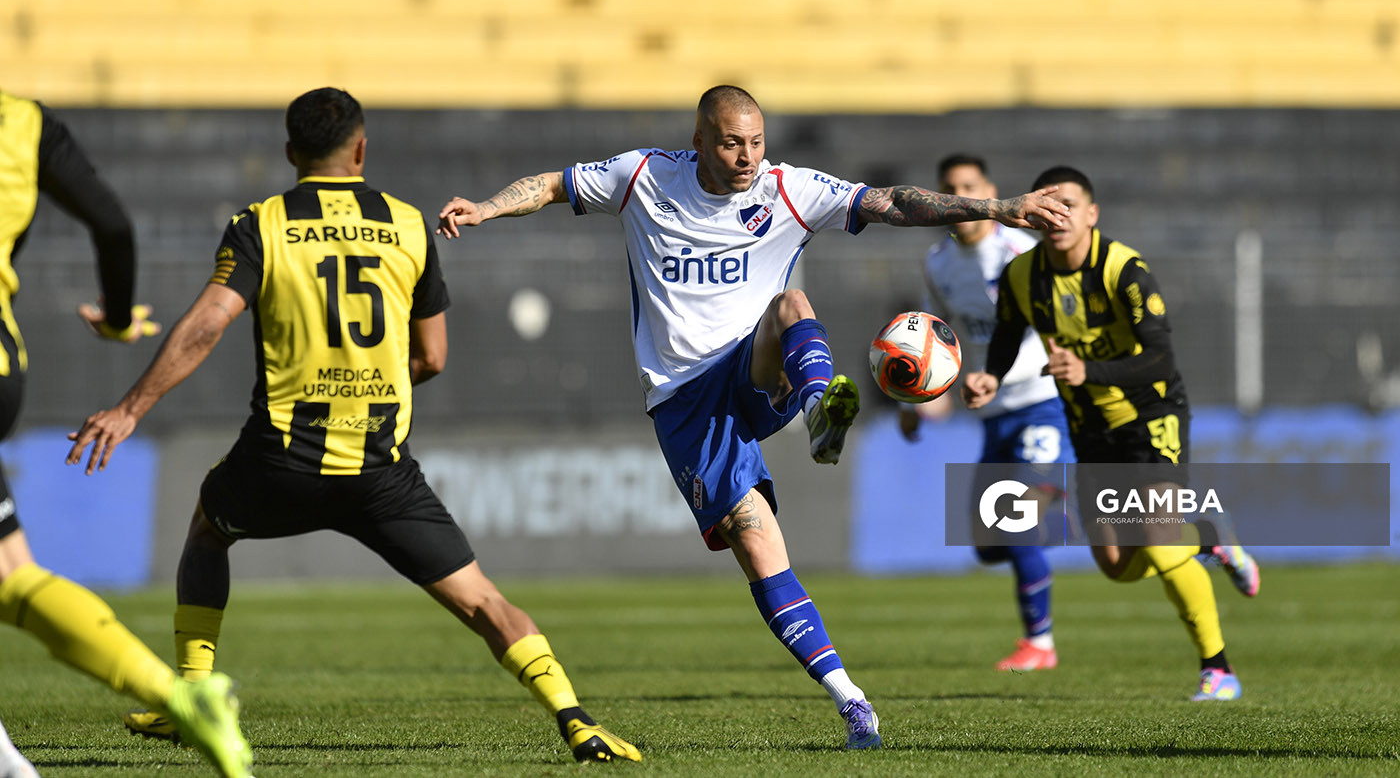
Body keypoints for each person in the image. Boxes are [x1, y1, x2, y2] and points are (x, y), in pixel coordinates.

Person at [435, 85, 1070, 749]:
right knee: (756, 541)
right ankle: (851, 700)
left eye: (757, 142)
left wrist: (1000, 207)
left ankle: (821, 407)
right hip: (684, 399)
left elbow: (892, 203)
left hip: (759, 368)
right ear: (701, 140)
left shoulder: (787, 188)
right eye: (733, 143)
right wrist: (484, 209)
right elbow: (551, 185)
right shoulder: (645, 176)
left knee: (791, 302)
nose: (747, 158)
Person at [65, 88, 640, 764]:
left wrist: (129, 408)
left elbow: (210, 321)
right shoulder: (406, 224)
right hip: (378, 469)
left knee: (207, 528)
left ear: (289, 153)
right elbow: (432, 356)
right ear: (361, 149)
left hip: (280, 457)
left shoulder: (261, 223)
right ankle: (575, 717)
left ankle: (192, 695)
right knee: (484, 601)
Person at [0, 89, 251, 778]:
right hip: (0, 362)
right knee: (8, 573)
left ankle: (178, 697)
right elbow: (112, 224)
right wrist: (114, 318)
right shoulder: (21, 120)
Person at [961, 165, 1260, 702]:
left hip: (1152, 415)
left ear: (1092, 214)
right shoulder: (1022, 276)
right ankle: (1212, 535)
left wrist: (1087, 371)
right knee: (1118, 567)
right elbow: (1007, 335)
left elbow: (1162, 360)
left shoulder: (1125, 270)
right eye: (1048, 206)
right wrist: (991, 375)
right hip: (1089, 426)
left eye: (1070, 205)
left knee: (1159, 535)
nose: (1059, 216)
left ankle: (1218, 669)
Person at [899, 153, 1073, 672]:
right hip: (994, 415)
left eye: (970, 186)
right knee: (987, 545)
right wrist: (919, 401)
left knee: (1015, 526)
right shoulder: (937, 265)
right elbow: (940, 345)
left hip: (1045, 406)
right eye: (952, 189)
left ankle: (1039, 643)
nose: (964, 199)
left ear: (990, 190)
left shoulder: (1023, 252)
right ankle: (1061, 506)